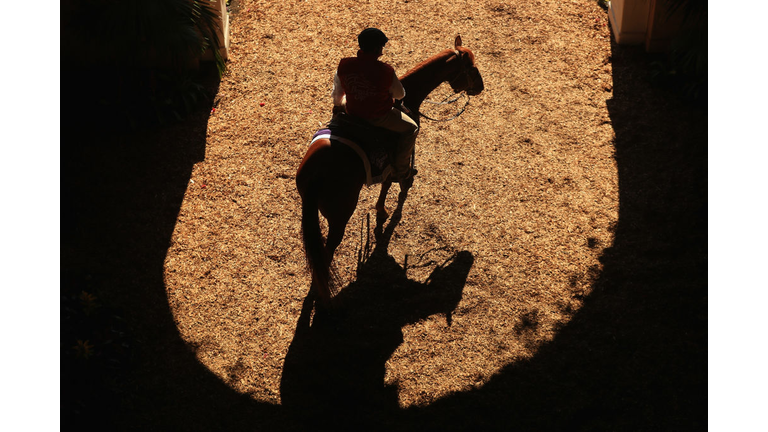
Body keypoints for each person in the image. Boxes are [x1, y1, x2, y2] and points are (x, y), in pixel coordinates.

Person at [331, 28, 419, 182]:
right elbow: (400, 95)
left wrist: (340, 106)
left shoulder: (344, 64)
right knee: (411, 129)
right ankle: (402, 170)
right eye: (381, 48)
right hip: (378, 116)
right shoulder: (386, 71)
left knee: (343, 102)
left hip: (352, 111)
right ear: (377, 49)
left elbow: (338, 94)